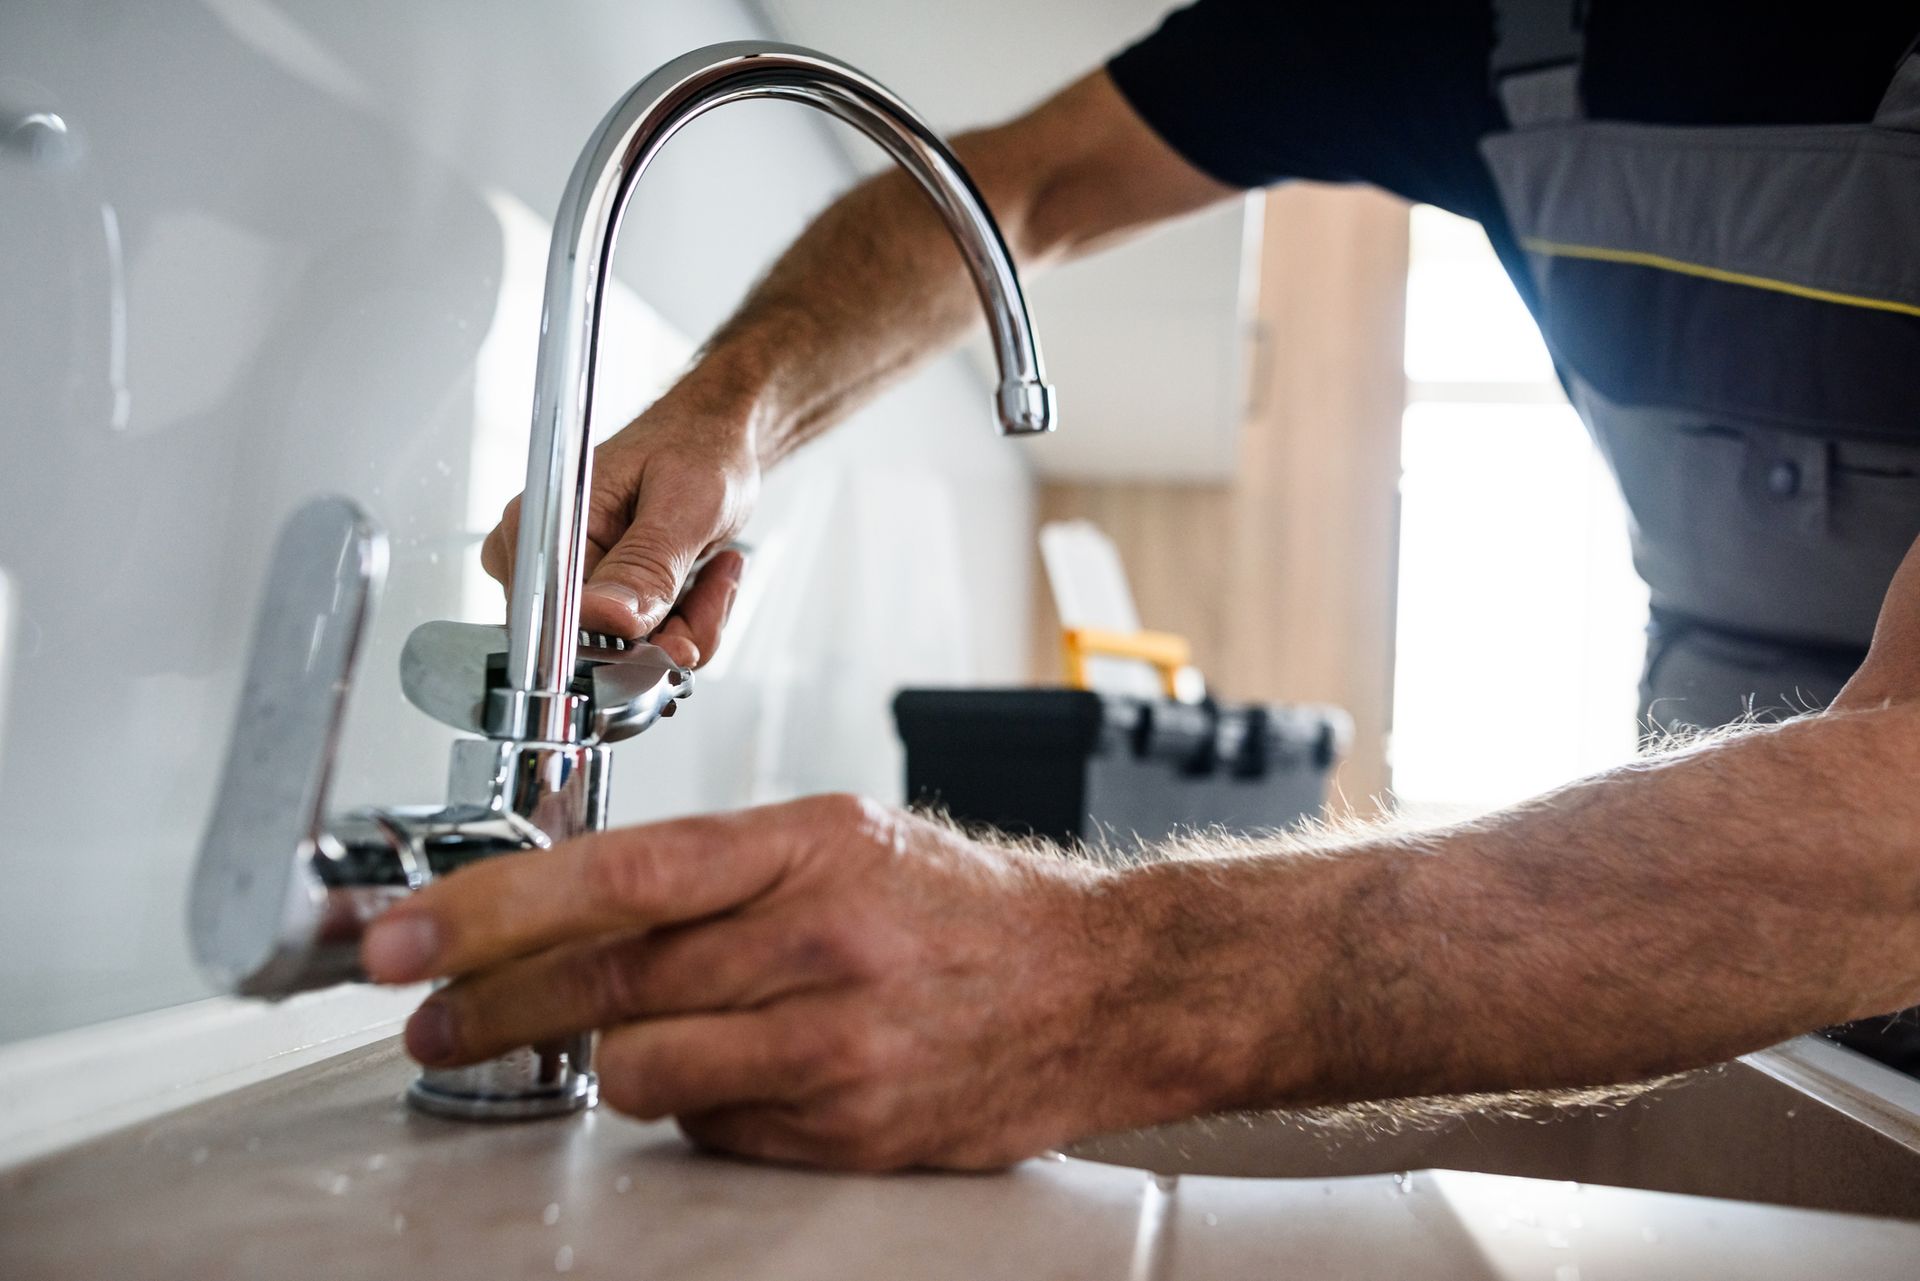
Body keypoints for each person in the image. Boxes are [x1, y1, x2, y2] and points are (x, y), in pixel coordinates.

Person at [360, 1, 1920, 1169]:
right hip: (1726, 943)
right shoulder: (1482, 22)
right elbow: (1026, 187)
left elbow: (1903, 816)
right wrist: (742, 409)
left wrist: (1081, 977)